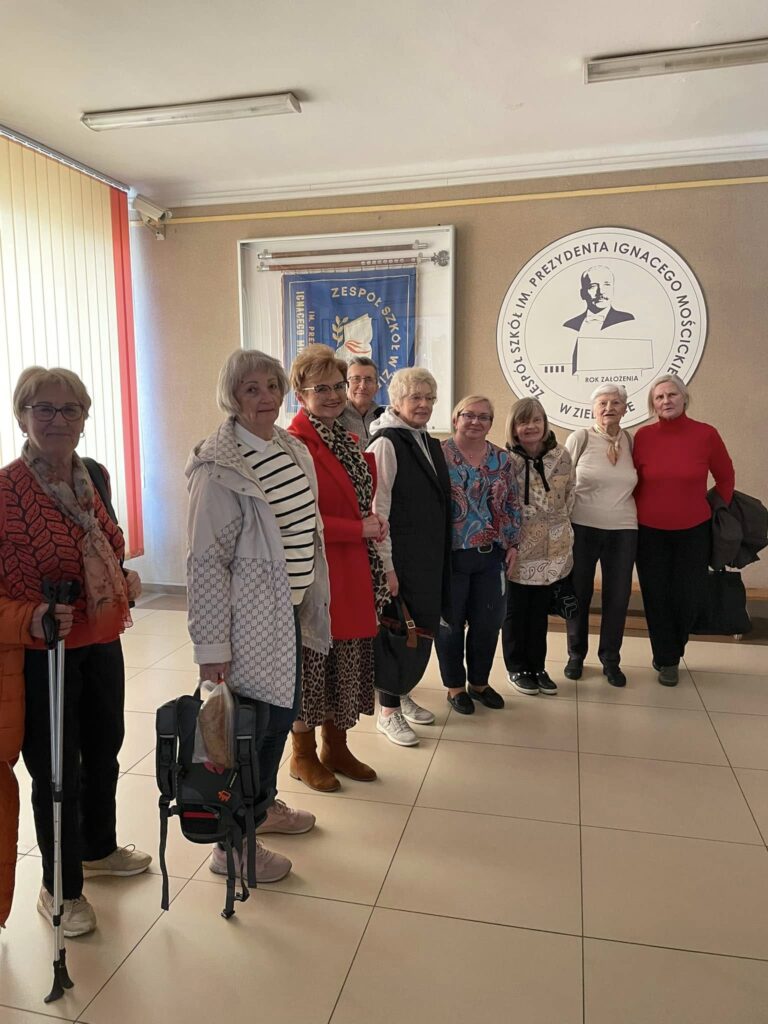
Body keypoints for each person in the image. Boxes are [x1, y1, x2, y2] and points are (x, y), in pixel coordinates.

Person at [0, 366, 149, 939]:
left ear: (85, 418)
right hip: (42, 653)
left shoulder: (94, 477)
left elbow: (108, 548)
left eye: (70, 409)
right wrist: (33, 615)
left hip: (101, 639)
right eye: (43, 408)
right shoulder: (7, 492)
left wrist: (123, 578)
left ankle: (98, 847)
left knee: (104, 749)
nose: (57, 419)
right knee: (56, 770)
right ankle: (58, 888)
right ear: (22, 417)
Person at [186, 349, 330, 883]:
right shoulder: (218, 470)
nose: (266, 396)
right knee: (245, 735)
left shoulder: (290, 448)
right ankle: (230, 844)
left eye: (272, 385)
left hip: (286, 614)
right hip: (245, 626)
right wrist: (211, 651)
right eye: (251, 388)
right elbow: (204, 565)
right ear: (232, 396)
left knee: (277, 722)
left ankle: (261, 809)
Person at [286, 344, 389, 789]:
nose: (332, 395)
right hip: (316, 572)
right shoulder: (293, 444)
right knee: (312, 664)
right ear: (300, 394)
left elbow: (359, 498)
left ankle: (337, 746)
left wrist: (373, 523)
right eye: (320, 388)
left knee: (344, 662)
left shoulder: (345, 437)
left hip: (352, 569)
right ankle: (302, 755)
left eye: (337, 386)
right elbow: (294, 518)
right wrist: (356, 529)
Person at [368, 368, 452, 746]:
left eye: (429, 398)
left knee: (418, 631)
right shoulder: (386, 442)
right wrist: (386, 567)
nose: (424, 404)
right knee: (397, 631)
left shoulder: (425, 440)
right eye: (415, 397)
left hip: (426, 558)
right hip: (400, 558)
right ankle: (387, 713)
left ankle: (401, 694)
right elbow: (378, 510)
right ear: (396, 400)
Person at [633, 375, 734, 686]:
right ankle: (667, 658)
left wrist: (715, 511)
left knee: (687, 596)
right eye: (659, 397)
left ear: (684, 398)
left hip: (694, 531)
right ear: (653, 404)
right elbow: (631, 480)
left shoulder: (706, 434)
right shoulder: (643, 437)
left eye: (672, 394)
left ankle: (672, 649)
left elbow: (726, 477)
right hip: (649, 532)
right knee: (656, 596)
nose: (666, 401)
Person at [436, 396, 521, 714]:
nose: (475, 421)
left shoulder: (502, 459)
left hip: (491, 556)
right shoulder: (438, 455)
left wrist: (513, 544)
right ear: (455, 418)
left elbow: (512, 503)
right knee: (450, 624)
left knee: (488, 623)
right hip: (450, 557)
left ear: (491, 423)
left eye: (483, 417)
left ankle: (479, 683)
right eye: (468, 415)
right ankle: (455, 687)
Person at [563, 385, 637, 687]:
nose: (609, 408)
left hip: (624, 528)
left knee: (617, 597)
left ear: (625, 409)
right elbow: (562, 480)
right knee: (578, 594)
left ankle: (610, 659)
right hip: (582, 526)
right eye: (603, 403)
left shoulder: (630, 440)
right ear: (593, 409)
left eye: (616, 403)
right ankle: (575, 655)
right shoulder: (580, 438)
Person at [501, 398, 574, 696]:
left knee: (539, 612)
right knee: (515, 611)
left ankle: (537, 666)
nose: (530, 426)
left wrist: (559, 530)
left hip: (552, 547)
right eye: (523, 421)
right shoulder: (505, 460)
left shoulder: (562, 455)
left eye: (536, 420)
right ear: (514, 427)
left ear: (544, 423)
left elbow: (569, 494)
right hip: (518, 548)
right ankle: (516, 667)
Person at [563, 266, 635, 332]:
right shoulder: (570, 326)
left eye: (607, 285)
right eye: (593, 286)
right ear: (583, 294)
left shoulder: (626, 320)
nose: (601, 292)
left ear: (613, 290)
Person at [337, 355, 385, 448]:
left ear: (376, 387)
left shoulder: (385, 419)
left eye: (368, 380)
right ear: (346, 385)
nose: (362, 386)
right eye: (356, 379)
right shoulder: (334, 419)